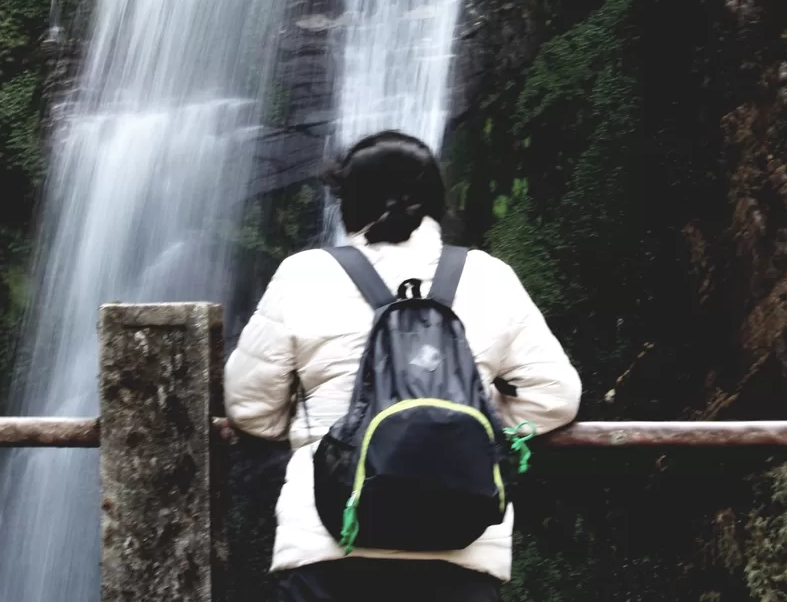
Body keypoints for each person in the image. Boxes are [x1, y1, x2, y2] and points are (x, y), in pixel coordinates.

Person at [225, 130, 582, 602]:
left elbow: (249, 406)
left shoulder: (304, 274)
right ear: (436, 199)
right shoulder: (489, 276)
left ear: (346, 203)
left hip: (331, 543)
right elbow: (554, 398)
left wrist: (318, 422)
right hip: (462, 548)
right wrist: (473, 420)